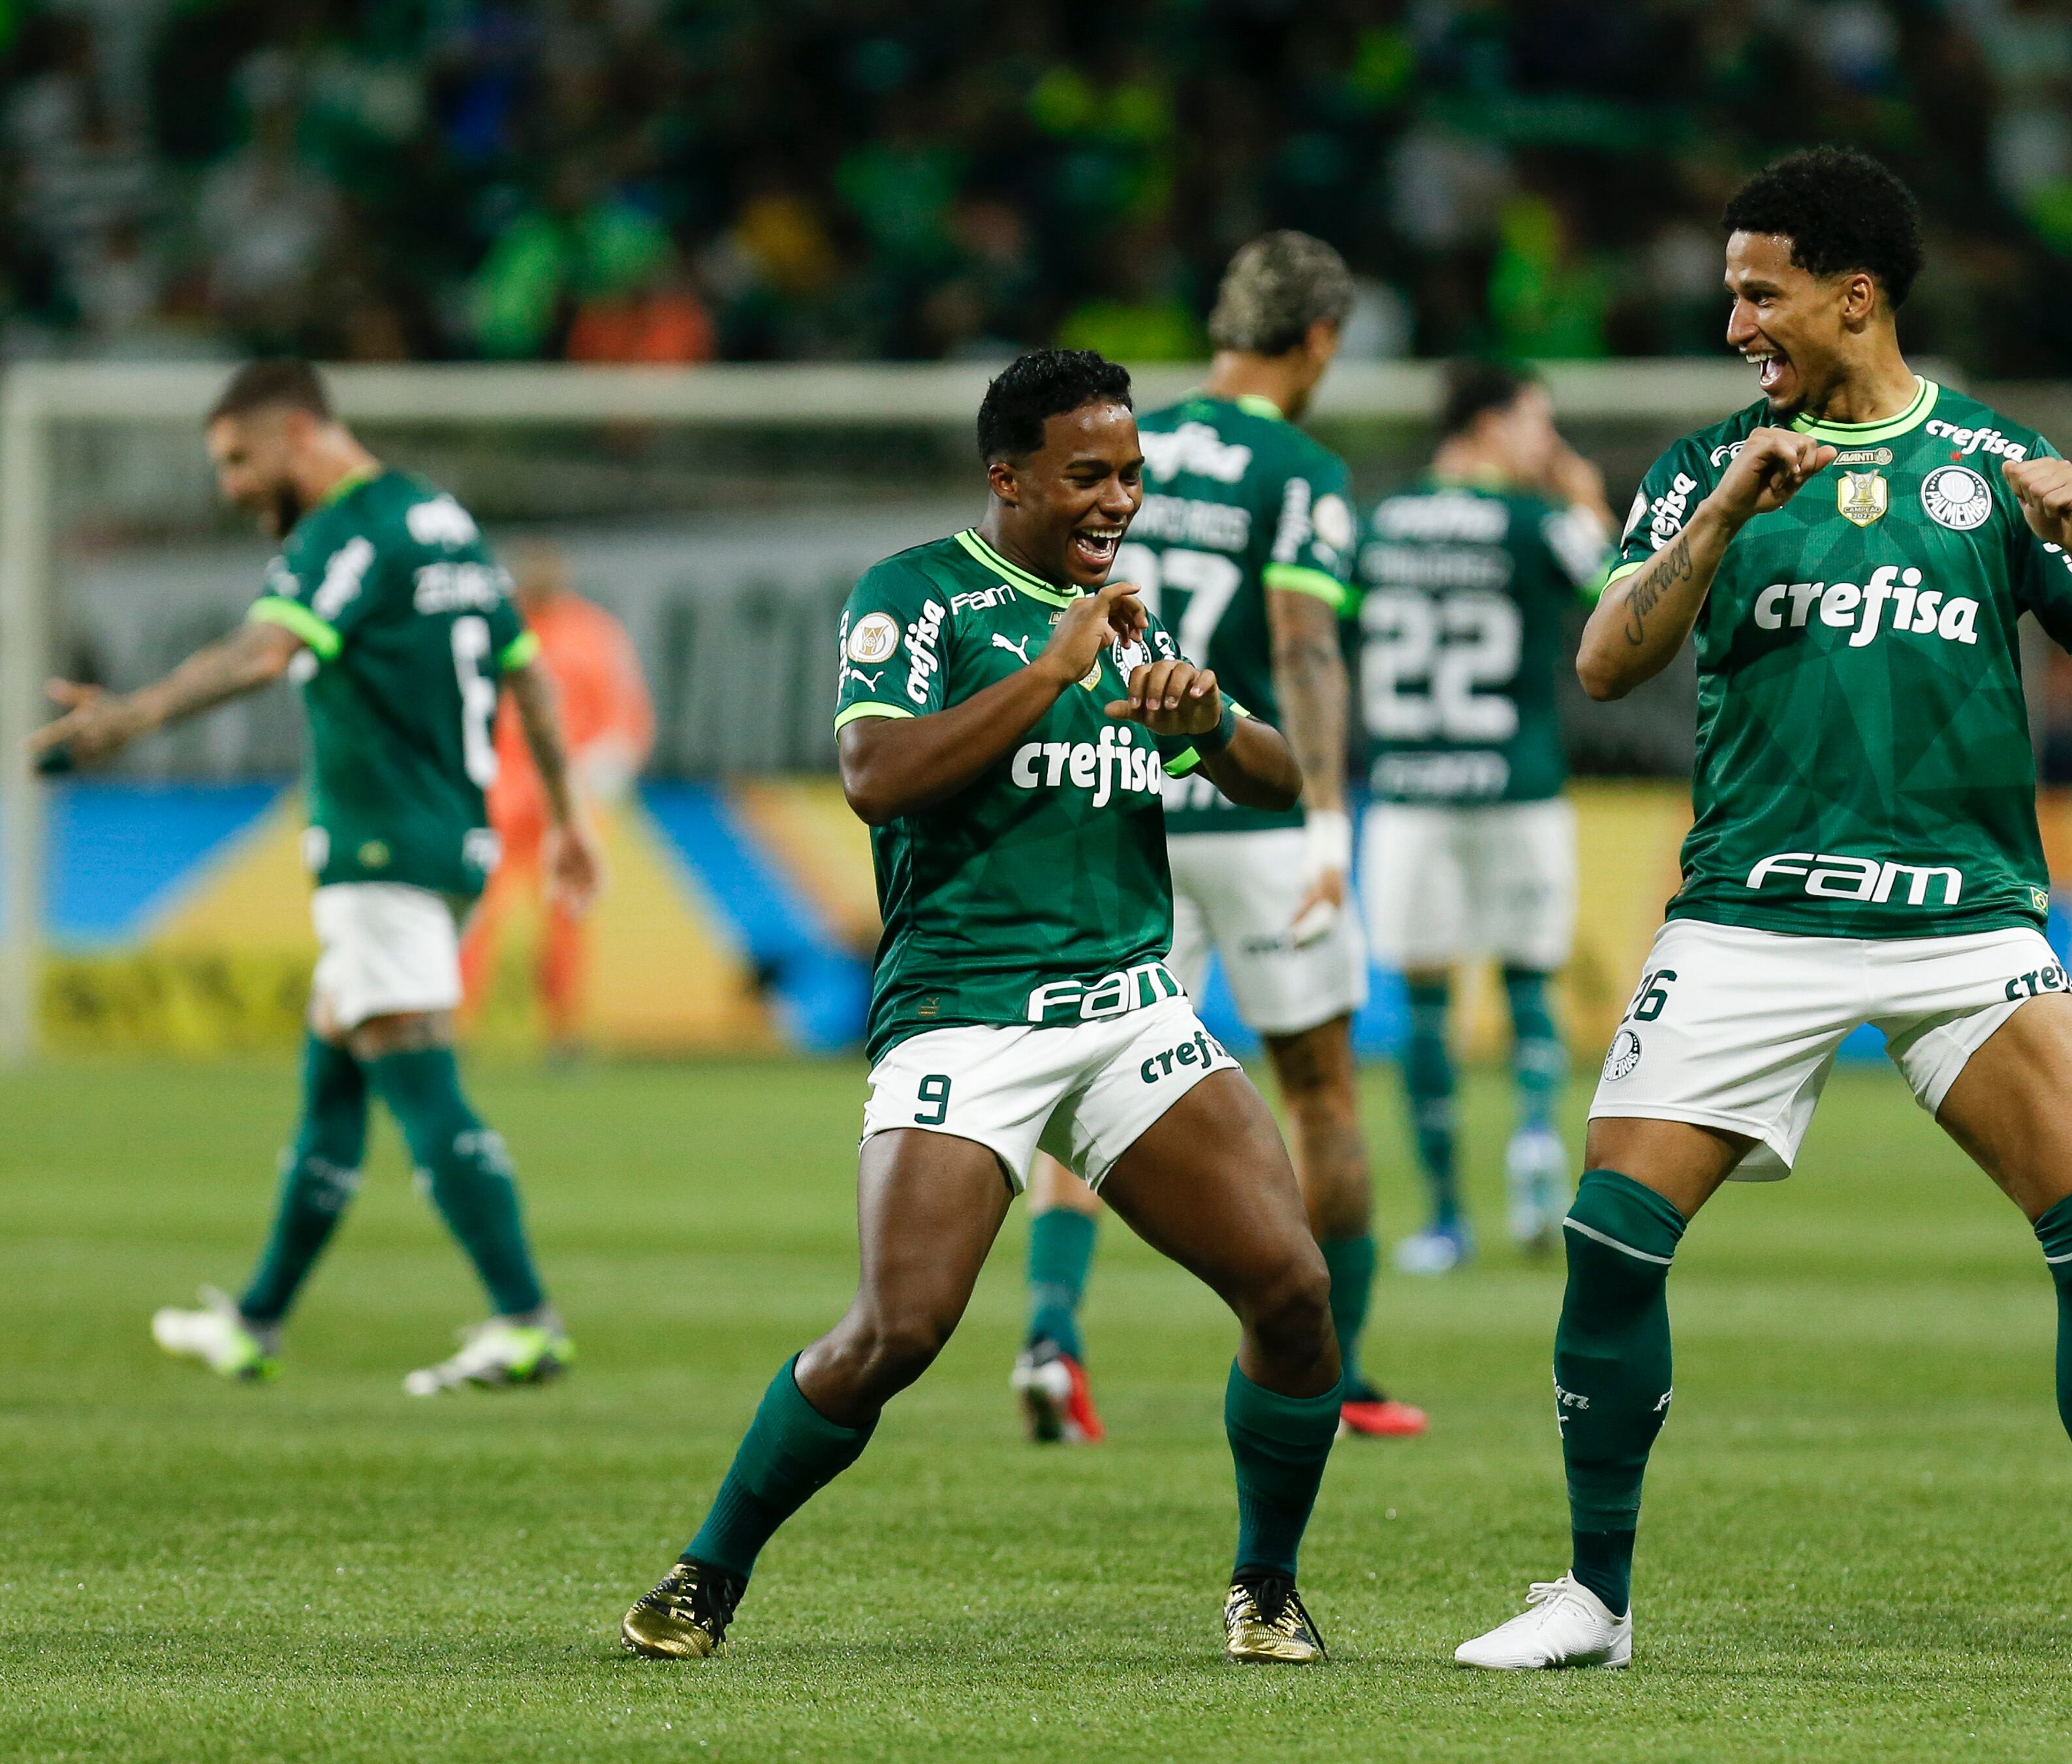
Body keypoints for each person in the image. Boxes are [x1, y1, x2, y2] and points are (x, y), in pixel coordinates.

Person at [1449, 148, 2072, 1682]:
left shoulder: (1997, 463)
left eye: (1759, 295)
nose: (1736, 325)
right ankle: (1596, 1596)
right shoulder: (1706, 465)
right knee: (1610, 1238)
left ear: (1855, 297)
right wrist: (1723, 514)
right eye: (1733, 295)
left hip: (1963, 920)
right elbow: (1605, 663)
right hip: (1751, 914)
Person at [620, 351, 1347, 1664]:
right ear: (1008, 478)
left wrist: (1207, 718)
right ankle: (706, 1570)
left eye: (1131, 474)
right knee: (896, 1332)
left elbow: (1275, 778)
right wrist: (1051, 674)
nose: (1118, 500)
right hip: (967, 1011)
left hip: (1129, 1009)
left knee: (1293, 1289)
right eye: (1088, 475)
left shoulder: (1129, 619)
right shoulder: (918, 594)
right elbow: (874, 774)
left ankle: (1266, 1586)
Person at [31, 359, 598, 1395]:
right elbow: (528, 674)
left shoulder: (348, 532)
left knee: (417, 1073)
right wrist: (569, 819)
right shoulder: (440, 519)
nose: (232, 487)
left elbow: (263, 653)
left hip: (381, 847)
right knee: (334, 1064)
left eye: (238, 461)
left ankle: (525, 1320)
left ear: (296, 432)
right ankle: (255, 1321)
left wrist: (128, 718)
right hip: (448, 840)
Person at [1011, 232, 1426, 1443]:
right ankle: (1337, 1375)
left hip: (1121, 796)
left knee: (1090, 1082)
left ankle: (1051, 1333)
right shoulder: (1298, 466)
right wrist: (1329, 821)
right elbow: (1303, 644)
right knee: (1321, 1088)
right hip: (1248, 801)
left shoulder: (1122, 447)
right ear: (1320, 341)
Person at [1357, 362, 1615, 1271]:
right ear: (1488, 425)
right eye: (1536, 421)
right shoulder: (1535, 522)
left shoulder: (1378, 523)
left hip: (1408, 790)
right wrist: (1588, 505)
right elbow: (1621, 597)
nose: (1548, 442)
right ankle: (1536, 1137)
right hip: (1518, 785)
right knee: (1529, 982)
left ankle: (1443, 1218)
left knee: (1425, 1003)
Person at [458, 542, 655, 1058]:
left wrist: (607, 766)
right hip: (497, 795)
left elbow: (626, 714)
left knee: (567, 913)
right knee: (475, 912)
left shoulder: (593, 633)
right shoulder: (493, 630)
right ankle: (455, 1028)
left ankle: (564, 1031)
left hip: (566, 797)